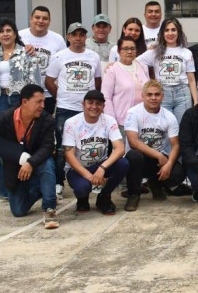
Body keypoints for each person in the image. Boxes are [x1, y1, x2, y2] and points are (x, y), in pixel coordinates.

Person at [0, 84, 58, 228]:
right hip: (15, 165)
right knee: (18, 210)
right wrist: (21, 158)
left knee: (48, 163)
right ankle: (39, 189)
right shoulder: (4, 119)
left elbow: (48, 147)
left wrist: (30, 163)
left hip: (38, 161)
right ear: (24, 102)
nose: (43, 106)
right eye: (38, 102)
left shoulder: (47, 120)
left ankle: (49, 209)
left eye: (43, 101)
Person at [46, 22, 103, 198]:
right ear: (68, 37)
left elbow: (98, 80)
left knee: (93, 144)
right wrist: (60, 96)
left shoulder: (93, 56)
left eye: (81, 34)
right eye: (74, 34)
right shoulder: (59, 56)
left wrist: (92, 100)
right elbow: (49, 80)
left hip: (88, 111)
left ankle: (94, 179)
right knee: (64, 148)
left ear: (85, 37)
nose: (78, 38)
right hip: (65, 108)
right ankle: (58, 182)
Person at [0, 18, 40, 198]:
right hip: (0, 100)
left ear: (15, 33)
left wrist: (32, 104)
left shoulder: (26, 53)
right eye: (1, 31)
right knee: (4, 145)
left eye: (9, 30)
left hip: (20, 99)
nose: (5, 34)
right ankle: (7, 189)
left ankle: (28, 185)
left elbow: (35, 81)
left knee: (25, 142)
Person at [62, 89, 128, 215]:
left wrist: (102, 168)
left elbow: (120, 148)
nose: (94, 106)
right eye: (90, 103)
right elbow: (69, 154)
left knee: (123, 163)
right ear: (83, 104)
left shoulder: (109, 121)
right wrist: (90, 177)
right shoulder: (71, 123)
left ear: (103, 106)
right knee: (83, 188)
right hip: (77, 169)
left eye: (98, 103)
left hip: (100, 166)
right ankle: (82, 199)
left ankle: (104, 196)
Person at [123, 80, 184, 211]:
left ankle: (155, 183)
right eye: (149, 94)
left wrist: (169, 164)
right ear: (143, 96)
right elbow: (133, 142)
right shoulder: (133, 113)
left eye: (157, 94)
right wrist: (159, 156)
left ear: (162, 96)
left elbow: (176, 145)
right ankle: (133, 193)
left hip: (158, 160)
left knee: (178, 173)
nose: (153, 98)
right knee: (134, 156)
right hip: (139, 159)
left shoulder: (169, 116)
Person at [138, 17, 197, 122]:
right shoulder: (154, 52)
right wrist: (114, 64)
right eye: (166, 30)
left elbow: (191, 79)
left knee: (182, 128)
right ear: (162, 33)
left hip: (183, 94)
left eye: (173, 30)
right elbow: (134, 62)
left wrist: (196, 101)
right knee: (164, 129)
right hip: (162, 94)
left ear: (178, 32)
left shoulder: (186, 53)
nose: (170, 33)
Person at [18, 6, 66, 110]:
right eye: (37, 17)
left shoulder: (58, 39)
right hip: (25, 94)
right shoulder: (19, 36)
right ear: (31, 19)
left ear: (49, 21)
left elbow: (64, 66)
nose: (41, 21)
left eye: (45, 18)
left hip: (48, 94)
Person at [101, 37, 150, 132]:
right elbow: (106, 97)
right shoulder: (112, 70)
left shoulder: (143, 67)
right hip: (121, 122)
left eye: (132, 48)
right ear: (119, 51)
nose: (129, 51)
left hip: (143, 120)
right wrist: (111, 121)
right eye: (125, 49)